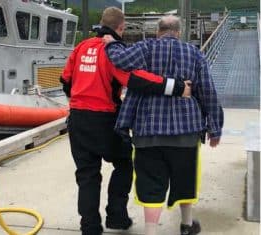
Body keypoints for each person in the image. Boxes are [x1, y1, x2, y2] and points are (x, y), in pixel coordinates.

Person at [60, 8, 192, 235]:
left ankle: (90, 227)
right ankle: (117, 216)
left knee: (87, 174)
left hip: (78, 120)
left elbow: (65, 81)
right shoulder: (114, 51)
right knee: (123, 163)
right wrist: (176, 86)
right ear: (121, 28)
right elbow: (135, 79)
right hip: (105, 120)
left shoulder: (81, 47)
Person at [103, 15, 224, 235]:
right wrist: (215, 128)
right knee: (185, 179)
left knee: (150, 184)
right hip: (186, 131)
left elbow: (119, 60)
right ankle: (187, 225)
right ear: (179, 32)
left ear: (158, 31)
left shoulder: (145, 47)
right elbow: (207, 92)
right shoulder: (194, 53)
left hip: (147, 130)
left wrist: (111, 43)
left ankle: (151, 231)